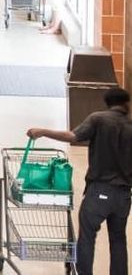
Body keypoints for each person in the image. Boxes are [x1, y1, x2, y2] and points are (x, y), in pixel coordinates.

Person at [27, 88, 131, 275]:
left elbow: (72, 136)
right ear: (126, 104)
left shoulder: (98, 119)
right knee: (118, 239)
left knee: (87, 238)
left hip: (99, 191)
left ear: (107, 103)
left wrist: (42, 131)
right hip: (124, 196)